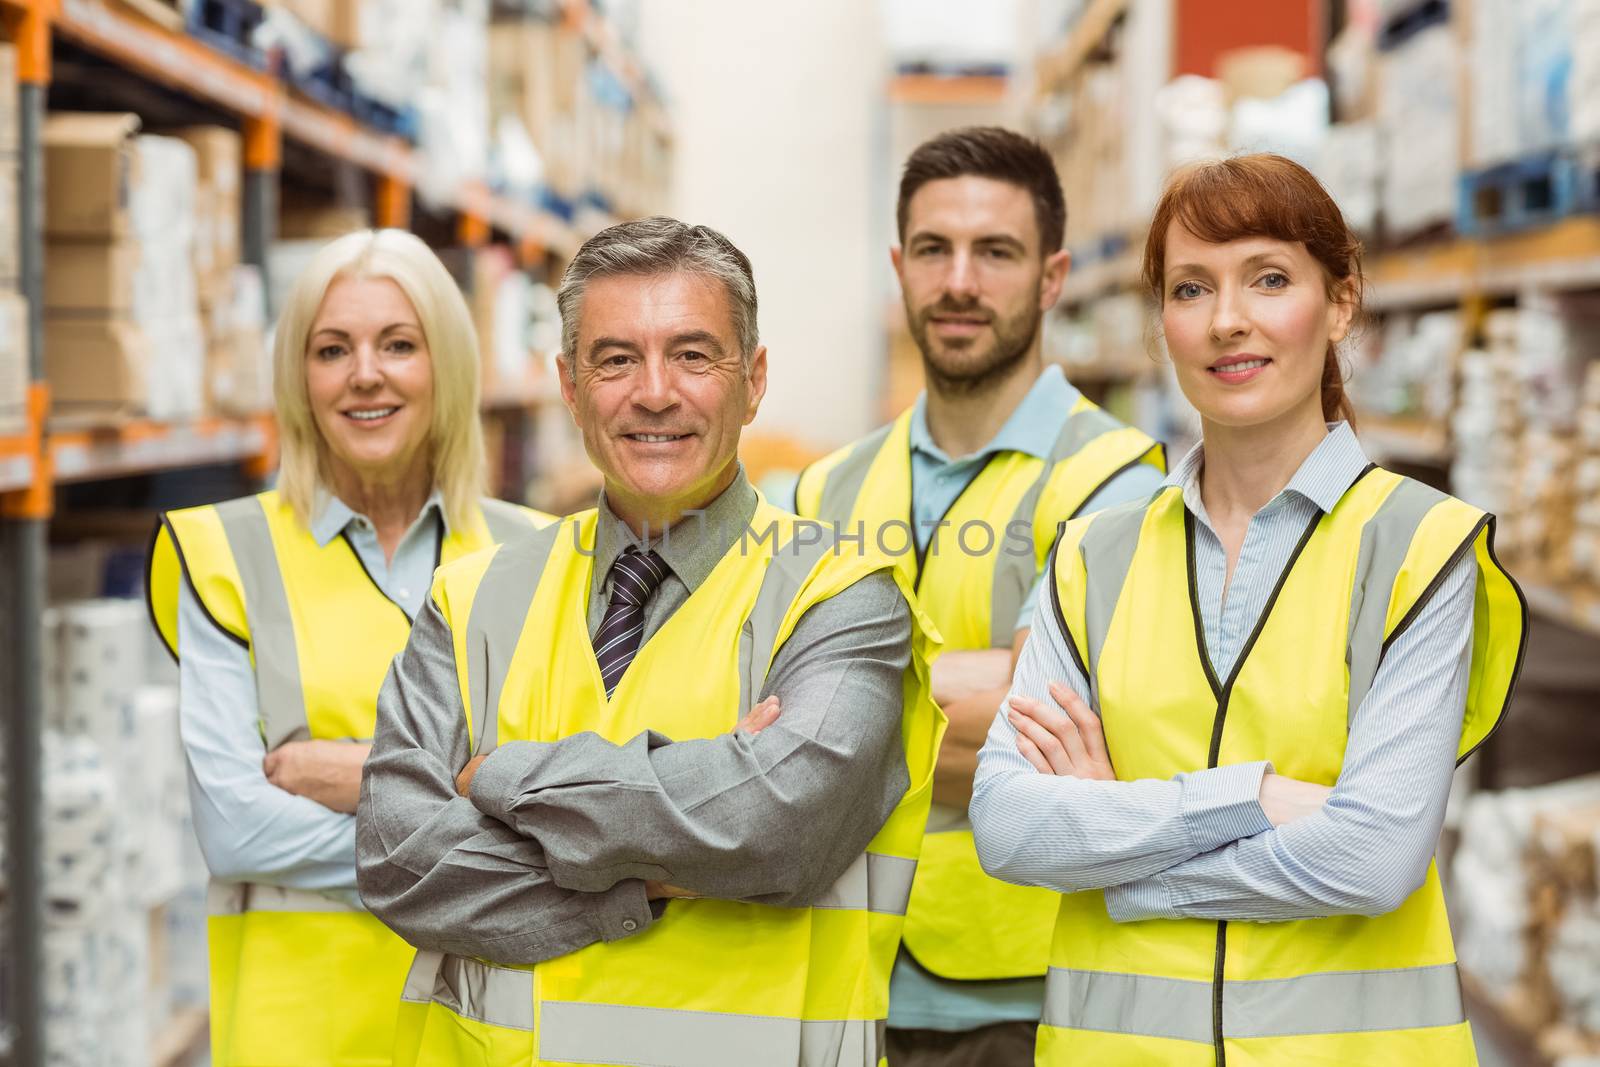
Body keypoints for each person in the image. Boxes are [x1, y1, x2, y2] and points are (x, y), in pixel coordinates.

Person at [969, 153, 1528, 1066]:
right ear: (1163, 322)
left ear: (1340, 300)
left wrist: (1118, 843)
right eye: (1191, 289)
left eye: (1269, 278)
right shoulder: (1093, 557)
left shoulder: (1421, 548)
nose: (1228, 320)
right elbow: (1010, 824)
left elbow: (1372, 855)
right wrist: (1257, 797)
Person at [356, 216, 946, 1067]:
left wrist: (504, 779)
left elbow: (770, 827)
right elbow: (398, 858)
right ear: (568, 384)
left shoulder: (843, 598)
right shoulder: (474, 595)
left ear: (755, 380)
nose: (656, 391)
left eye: (694, 354)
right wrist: (652, 871)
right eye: (616, 358)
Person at [792, 126, 1164, 1064]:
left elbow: (1069, 735)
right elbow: (750, 723)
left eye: (995, 252)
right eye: (933, 249)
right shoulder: (822, 488)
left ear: (1051, 277)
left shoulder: (1115, 485)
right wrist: (972, 691)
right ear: (899, 266)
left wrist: (830, 720)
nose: (960, 281)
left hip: (1019, 992)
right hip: (835, 967)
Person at [146, 229, 552, 1067]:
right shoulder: (225, 553)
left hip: (491, 1032)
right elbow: (237, 830)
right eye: (332, 349)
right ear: (300, 378)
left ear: (446, 365)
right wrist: (483, 808)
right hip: (303, 1032)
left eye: (398, 344)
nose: (365, 373)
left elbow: (577, 800)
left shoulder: (540, 555)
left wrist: (359, 776)